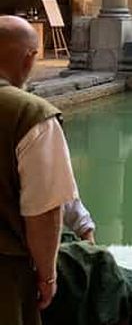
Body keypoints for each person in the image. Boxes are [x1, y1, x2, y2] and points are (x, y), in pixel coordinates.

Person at [0, 16, 80, 324]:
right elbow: (44, 213)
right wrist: (47, 276)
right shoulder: (31, 114)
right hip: (6, 274)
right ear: (30, 58)